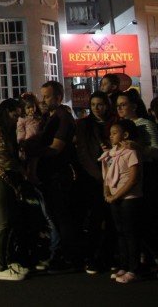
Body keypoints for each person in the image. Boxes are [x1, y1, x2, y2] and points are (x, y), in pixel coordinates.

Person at [27, 81, 78, 272]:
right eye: (43, 96)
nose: (44, 100)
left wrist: (35, 150)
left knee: (62, 217)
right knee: (56, 216)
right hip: (50, 173)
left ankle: (67, 257)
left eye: (47, 96)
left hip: (58, 173)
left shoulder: (63, 117)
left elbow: (56, 148)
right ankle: (61, 254)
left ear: (58, 97)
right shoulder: (51, 116)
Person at [0, 98, 27, 281]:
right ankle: (0, 267)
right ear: (6, 112)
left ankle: (7, 262)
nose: (17, 119)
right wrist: (20, 167)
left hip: (3, 178)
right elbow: (4, 157)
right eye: (15, 115)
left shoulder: (1, 130)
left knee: (9, 223)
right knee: (3, 223)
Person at [73, 91, 113, 274]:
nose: (97, 108)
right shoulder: (84, 125)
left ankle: (109, 256)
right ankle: (92, 257)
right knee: (95, 219)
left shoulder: (114, 123)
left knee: (112, 219)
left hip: (114, 176)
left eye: (101, 104)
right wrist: (97, 175)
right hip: (93, 178)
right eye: (94, 104)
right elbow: (83, 153)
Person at [99, 120, 143, 284]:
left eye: (115, 133)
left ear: (125, 135)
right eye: (110, 133)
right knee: (120, 232)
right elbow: (107, 176)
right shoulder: (111, 153)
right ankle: (124, 265)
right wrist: (107, 192)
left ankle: (134, 268)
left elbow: (133, 178)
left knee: (131, 233)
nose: (111, 136)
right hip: (114, 196)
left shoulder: (131, 152)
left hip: (129, 198)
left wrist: (116, 196)